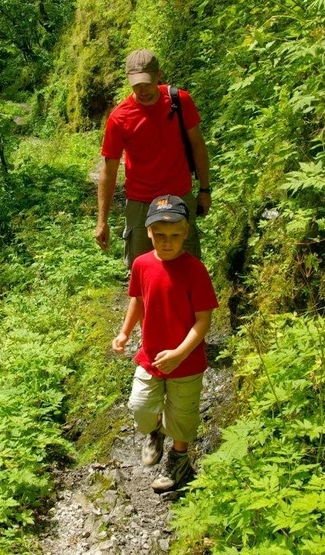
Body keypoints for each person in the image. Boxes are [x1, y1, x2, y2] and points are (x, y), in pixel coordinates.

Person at [112, 195, 218, 493]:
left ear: (186, 233)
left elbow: (203, 321)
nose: (167, 241)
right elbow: (138, 299)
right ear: (148, 232)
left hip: (188, 360)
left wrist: (181, 353)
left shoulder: (195, 270)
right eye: (160, 235)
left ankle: (179, 459)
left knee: (182, 414)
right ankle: (155, 432)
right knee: (139, 406)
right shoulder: (142, 264)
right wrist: (124, 332)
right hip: (150, 355)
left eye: (174, 235)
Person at [94, 49, 212, 266]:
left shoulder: (180, 101)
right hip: (140, 201)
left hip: (179, 194)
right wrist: (102, 221)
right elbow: (108, 171)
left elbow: (198, 145)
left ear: (159, 75)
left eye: (147, 83)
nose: (142, 90)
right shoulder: (120, 117)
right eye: (136, 84)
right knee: (142, 270)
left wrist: (204, 189)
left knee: (187, 266)